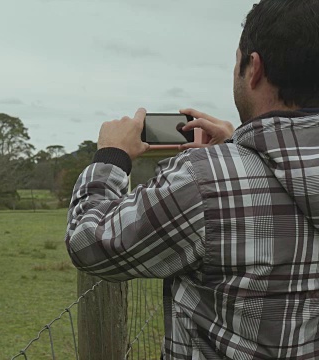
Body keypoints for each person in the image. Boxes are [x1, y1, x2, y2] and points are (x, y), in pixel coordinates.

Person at [65, 1, 319, 359]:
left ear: (254, 68)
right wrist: (241, 147)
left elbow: (87, 242)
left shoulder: (205, 181)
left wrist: (111, 156)